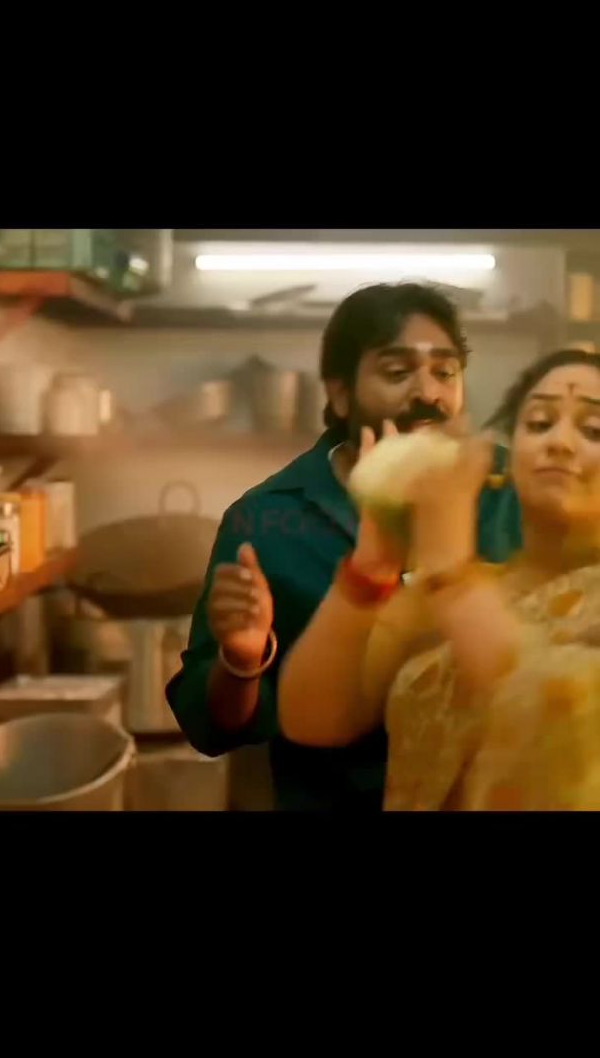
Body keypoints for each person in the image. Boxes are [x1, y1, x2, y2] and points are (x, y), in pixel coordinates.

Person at [166, 282, 521, 812]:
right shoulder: (266, 522)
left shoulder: (512, 493)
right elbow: (209, 729)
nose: (428, 394)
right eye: (397, 372)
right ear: (340, 394)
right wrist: (241, 662)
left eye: (445, 372)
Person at [278, 348, 600, 811]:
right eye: (539, 423)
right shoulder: (443, 598)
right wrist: (371, 569)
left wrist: (450, 574)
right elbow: (312, 720)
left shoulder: (453, 589)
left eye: (593, 430)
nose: (560, 442)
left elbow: (564, 722)